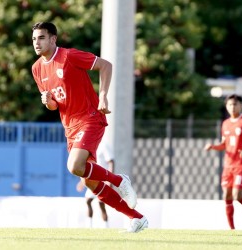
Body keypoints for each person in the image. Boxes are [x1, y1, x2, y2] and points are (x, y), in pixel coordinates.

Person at [31, 22, 148, 233]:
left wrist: (103, 95)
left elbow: (106, 65)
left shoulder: (69, 56)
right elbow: (54, 105)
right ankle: (137, 218)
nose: (36, 43)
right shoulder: (37, 68)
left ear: (53, 39)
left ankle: (120, 180)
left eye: (41, 38)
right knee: (90, 183)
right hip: (70, 128)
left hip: (90, 118)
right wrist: (48, 102)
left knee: (74, 165)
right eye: (34, 39)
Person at [204, 94, 242, 230]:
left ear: (241, 105)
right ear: (226, 106)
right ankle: (232, 230)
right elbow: (224, 145)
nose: (232, 107)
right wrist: (213, 147)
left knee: (237, 195)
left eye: (235, 104)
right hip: (228, 165)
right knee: (226, 195)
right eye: (230, 104)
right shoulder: (225, 124)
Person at [76, 139, 115, 228]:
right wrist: (81, 182)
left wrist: (110, 179)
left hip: (102, 178)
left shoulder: (104, 145)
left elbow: (111, 161)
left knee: (101, 203)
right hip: (92, 179)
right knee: (88, 200)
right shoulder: (89, 145)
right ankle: (89, 226)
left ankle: (106, 226)